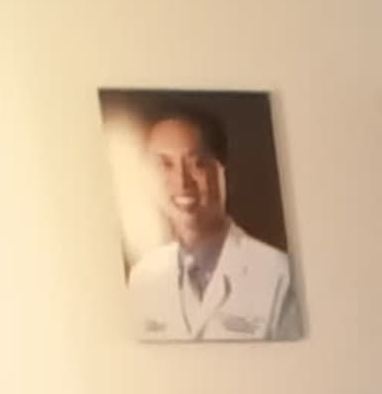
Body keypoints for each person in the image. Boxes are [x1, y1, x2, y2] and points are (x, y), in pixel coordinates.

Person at [123, 103, 298, 342]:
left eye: (197, 163)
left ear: (223, 171)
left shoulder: (279, 275)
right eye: (166, 164)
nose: (182, 182)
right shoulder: (143, 277)